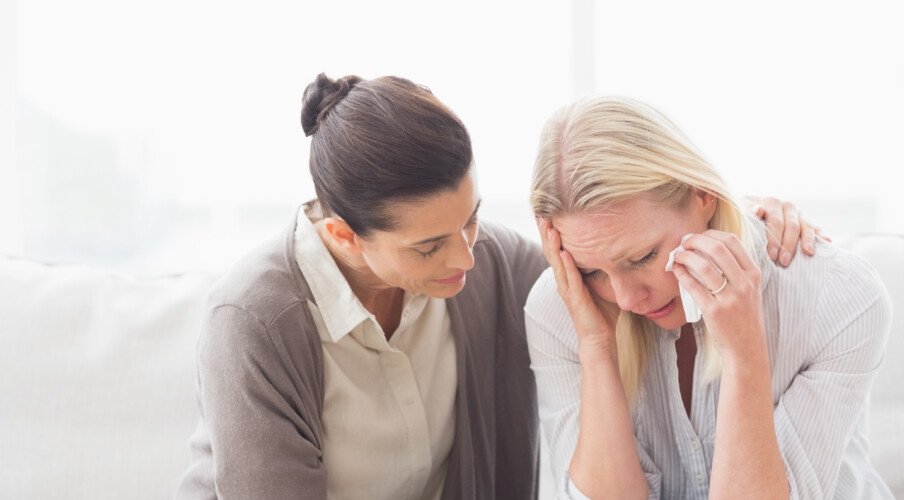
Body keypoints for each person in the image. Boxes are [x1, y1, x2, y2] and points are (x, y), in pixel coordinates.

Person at [174, 73, 822, 500]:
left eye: (472, 218)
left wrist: (745, 222)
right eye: (428, 245)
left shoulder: (495, 268)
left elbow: (616, 257)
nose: (465, 255)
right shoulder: (255, 319)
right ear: (344, 237)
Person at [526, 95, 894, 499]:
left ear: (702, 194)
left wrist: (744, 351)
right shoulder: (562, 307)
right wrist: (596, 348)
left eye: (642, 257)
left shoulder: (837, 296)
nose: (626, 298)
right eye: (591, 271)